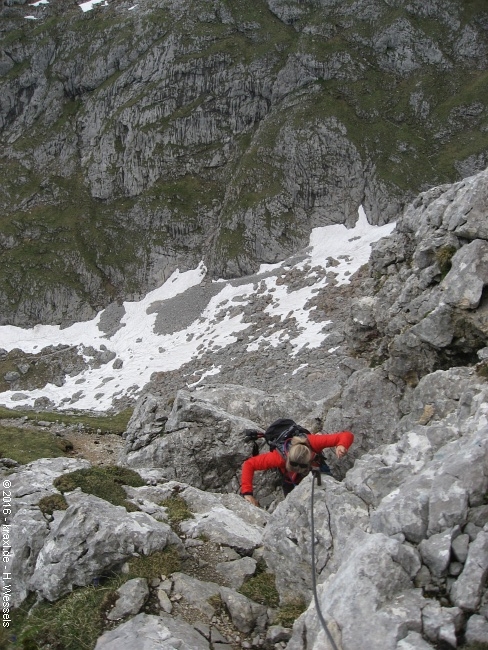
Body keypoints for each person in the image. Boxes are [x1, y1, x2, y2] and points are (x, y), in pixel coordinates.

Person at [240, 429, 354, 506]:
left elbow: (346, 435)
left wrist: (342, 445)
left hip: (314, 467)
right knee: (292, 500)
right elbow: (249, 464)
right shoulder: (278, 457)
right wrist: (247, 493)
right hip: (290, 477)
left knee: (323, 486)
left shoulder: (314, 442)